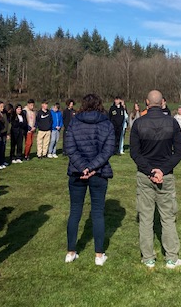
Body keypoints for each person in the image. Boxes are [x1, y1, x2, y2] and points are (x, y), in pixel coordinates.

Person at [130, 90, 181, 269]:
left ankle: (148, 258)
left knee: (146, 218)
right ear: (162, 103)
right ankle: (171, 257)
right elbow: (179, 152)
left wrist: (155, 170)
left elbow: (135, 153)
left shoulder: (138, 123)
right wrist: (159, 171)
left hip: (151, 175)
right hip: (161, 175)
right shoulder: (171, 122)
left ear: (147, 102)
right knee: (167, 217)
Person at [63, 93, 116, 266]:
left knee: (76, 211)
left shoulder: (75, 123)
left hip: (87, 171)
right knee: (97, 212)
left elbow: (70, 148)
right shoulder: (105, 124)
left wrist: (86, 168)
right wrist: (88, 168)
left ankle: (71, 252)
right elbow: (107, 150)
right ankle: (98, 255)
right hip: (94, 172)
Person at [0, 101, 9, 168]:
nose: (2, 108)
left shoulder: (4, 114)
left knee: (3, 147)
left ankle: (2, 161)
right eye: (1, 107)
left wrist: (8, 133)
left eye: (3, 106)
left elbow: (7, 123)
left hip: (4, 133)